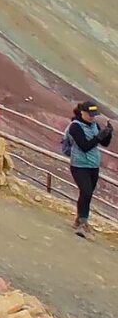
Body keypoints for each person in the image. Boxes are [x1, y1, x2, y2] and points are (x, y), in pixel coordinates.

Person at [64, 100, 113, 237]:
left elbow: (104, 143)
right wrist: (98, 137)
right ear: (82, 112)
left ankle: (79, 219)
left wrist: (108, 133)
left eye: (94, 114)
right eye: (90, 114)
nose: (92, 117)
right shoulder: (75, 127)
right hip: (79, 164)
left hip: (93, 165)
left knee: (87, 193)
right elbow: (84, 146)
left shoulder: (94, 125)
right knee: (85, 191)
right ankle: (83, 223)